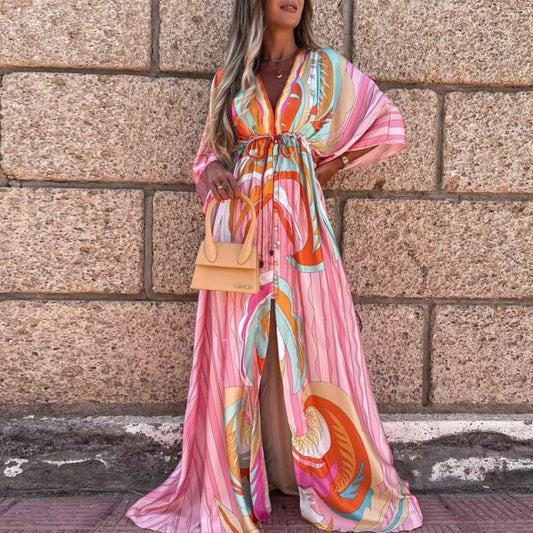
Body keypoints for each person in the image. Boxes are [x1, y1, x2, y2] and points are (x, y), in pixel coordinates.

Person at [126, 0, 424, 531]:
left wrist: (328, 166)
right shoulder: (231, 75)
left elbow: (388, 125)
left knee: (315, 341)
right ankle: (237, 484)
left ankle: (329, 480)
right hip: (238, 228)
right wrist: (216, 171)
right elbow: (207, 155)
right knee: (235, 351)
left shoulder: (326, 68)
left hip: (301, 235)